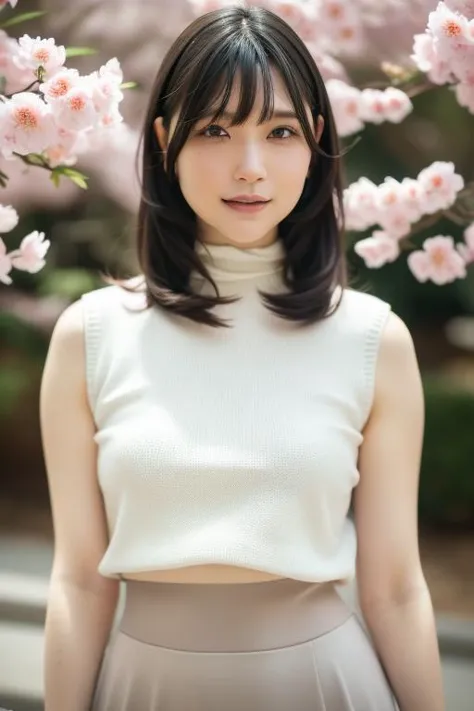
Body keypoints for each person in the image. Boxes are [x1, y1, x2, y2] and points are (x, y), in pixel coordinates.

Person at [40, 5, 445, 711]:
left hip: (328, 685)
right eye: (216, 130)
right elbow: (78, 578)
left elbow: (396, 586)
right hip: (143, 688)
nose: (250, 168)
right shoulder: (90, 335)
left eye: (280, 131)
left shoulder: (373, 340)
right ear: (164, 140)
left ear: (316, 140)